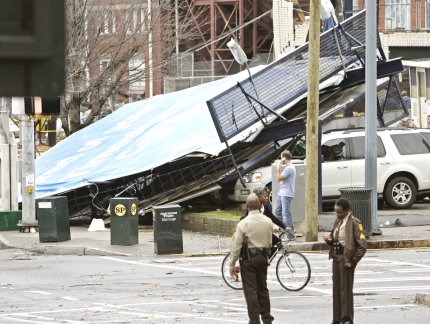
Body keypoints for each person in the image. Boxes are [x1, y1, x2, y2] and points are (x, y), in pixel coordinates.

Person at [229, 194, 277, 324]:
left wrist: (232, 264)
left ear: (246, 206)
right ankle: (267, 318)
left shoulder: (243, 223)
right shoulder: (267, 221)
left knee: (251, 290)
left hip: (249, 259)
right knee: (263, 288)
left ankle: (254, 320)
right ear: (260, 205)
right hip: (263, 257)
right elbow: (274, 233)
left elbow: (237, 245)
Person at [324, 198, 367, 324]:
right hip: (336, 258)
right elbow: (334, 236)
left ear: (347, 211)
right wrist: (330, 240)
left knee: (345, 291)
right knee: (336, 290)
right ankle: (337, 318)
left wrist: (352, 261)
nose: (337, 215)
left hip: (346, 259)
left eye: (340, 212)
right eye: (336, 212)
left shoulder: (355, 223)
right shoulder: (338, 221)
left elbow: (362, 245)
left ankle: (346, 319)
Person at [242, 187, 286, 256]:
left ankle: (266, 258)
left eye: (267, 196)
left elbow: (272, 218)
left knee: (277, 242)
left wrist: (284, 227)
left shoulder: (265, 206)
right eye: (264, 196)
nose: (267, 198)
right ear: (258, 197)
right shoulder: (252, 207)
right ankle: (263, 258)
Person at [274, 150, 297, 238]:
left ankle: (290, 235)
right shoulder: (288, 167)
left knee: (286, 215)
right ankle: (289, 229)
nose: (280, 159)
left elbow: (278, 178)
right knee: (277, 212)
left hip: (286, 194)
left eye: (281, 157)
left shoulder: (289, 168)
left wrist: (278, 167)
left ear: (284, 158)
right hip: (282, 192)